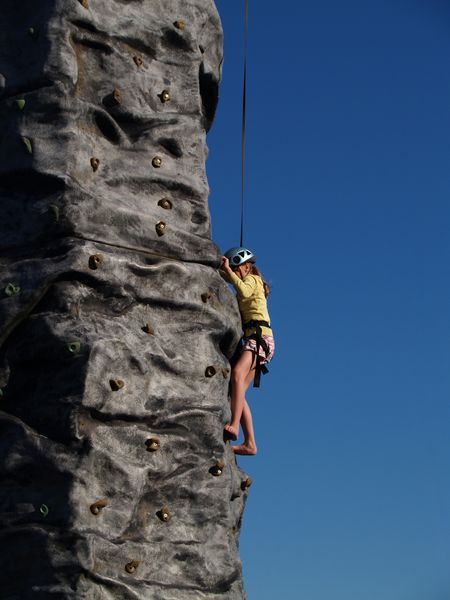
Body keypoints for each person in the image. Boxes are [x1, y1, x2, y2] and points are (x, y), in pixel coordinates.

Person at [219, 247, 274, 455]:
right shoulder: (246, 279)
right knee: (237, 392)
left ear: (247, 266)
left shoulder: (252, 280)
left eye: (237, 269)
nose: (234, 273)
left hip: (258, 338)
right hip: (259, 340)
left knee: (237, 376)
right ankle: (250, 443)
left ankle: (234, 425)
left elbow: (242, 290)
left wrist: (228, 271)